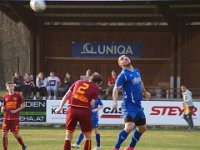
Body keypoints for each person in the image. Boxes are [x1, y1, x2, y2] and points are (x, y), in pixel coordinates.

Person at [112, 55, 151, 150]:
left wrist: (145, 93)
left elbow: (140, 82)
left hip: (138, 105)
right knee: (129, 127)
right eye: (122, 59)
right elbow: (116, 89)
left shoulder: (136, 71)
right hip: (128, 105)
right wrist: (114, 102)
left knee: (142, 128)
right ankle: (116, 148)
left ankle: (130, 147)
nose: (125, 58)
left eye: (126, 57)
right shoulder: (123, 75)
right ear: (120, 65)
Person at [55, 74, 103, 150]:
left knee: (68, 135)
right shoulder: (95, 89)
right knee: (87, 136)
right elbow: (92, 103)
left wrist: (60, 107)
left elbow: (67, 95)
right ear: (97, 83)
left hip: (72, 109)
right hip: (84, 110)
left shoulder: (78, 82)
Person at [1, 82, 27, 150]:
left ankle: (23, 145)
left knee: (15, 134)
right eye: (9, 87)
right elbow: (3, 106)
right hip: (6, 118)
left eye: (12, 87)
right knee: (4, 134)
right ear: (7, 88)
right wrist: (2, 109)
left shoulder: (18, 95)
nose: (11, 88)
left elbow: (24, 105)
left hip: (14, 118)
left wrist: (16, 110)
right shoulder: (5, 96)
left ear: (14, 87)